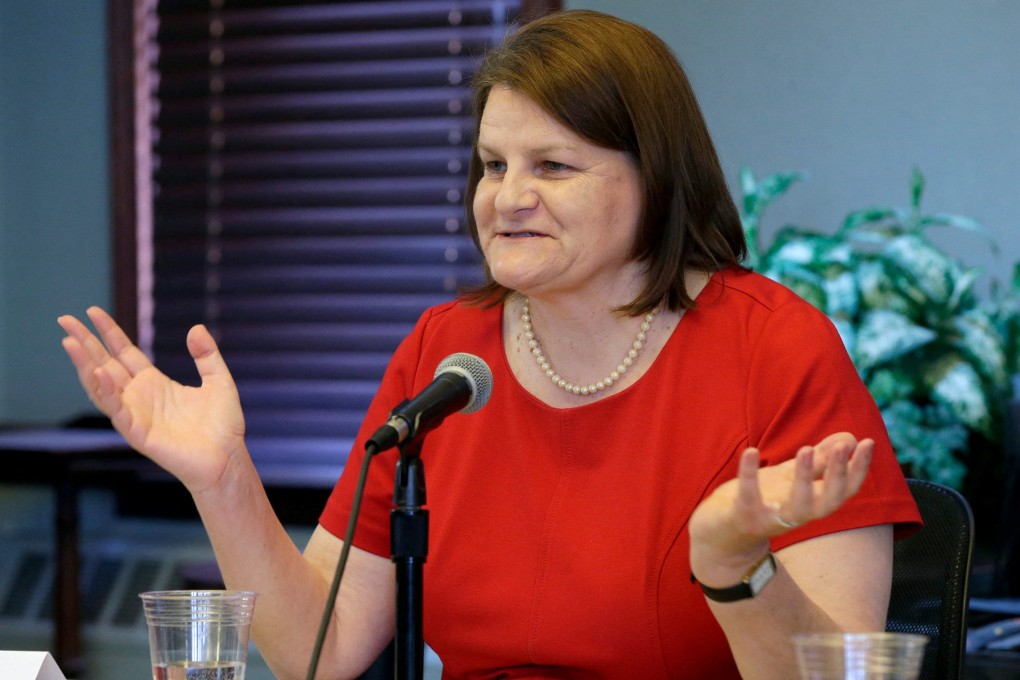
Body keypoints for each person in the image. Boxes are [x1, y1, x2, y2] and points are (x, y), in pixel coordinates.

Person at [58, 9, 920, 680]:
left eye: (553, 166)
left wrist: (734, 564)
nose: (507, 199)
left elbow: (844, 670)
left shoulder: (772, 347)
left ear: (655, 177)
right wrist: (223, 477)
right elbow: (318, 653)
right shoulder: (449, 352)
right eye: (492, 164)